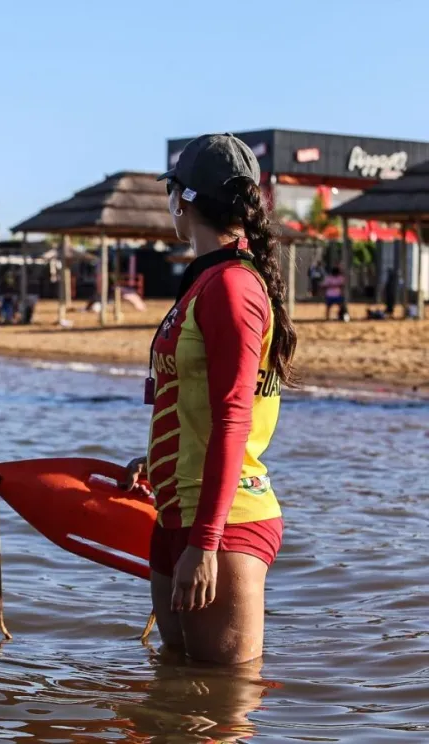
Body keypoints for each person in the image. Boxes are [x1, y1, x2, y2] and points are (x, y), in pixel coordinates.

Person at [121, 133, 298, 665]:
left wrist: (205, 543)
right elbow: (193, 403)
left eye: (171, 190)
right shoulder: (207, 281)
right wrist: (157, 462)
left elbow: (232, 421)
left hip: (224, 525)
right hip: (179, 513)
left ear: (184, 198)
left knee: (224, 708)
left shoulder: (232, 288)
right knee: (176, 696)